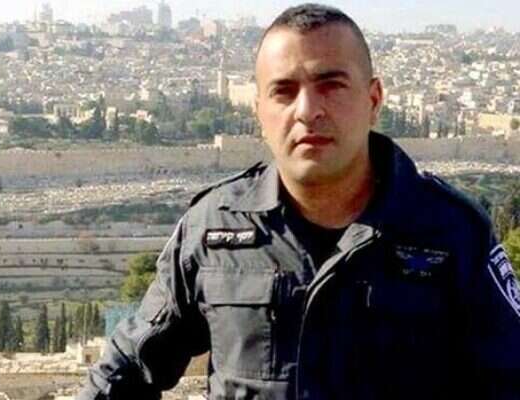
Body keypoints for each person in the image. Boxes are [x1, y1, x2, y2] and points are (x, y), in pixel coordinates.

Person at [78, 4, 520, 399]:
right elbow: (125, 371)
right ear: (259, 111)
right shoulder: (214, 228)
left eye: (331, 85)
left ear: (373, 100)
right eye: (284, 91)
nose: (307, 110)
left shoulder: (451, 230)